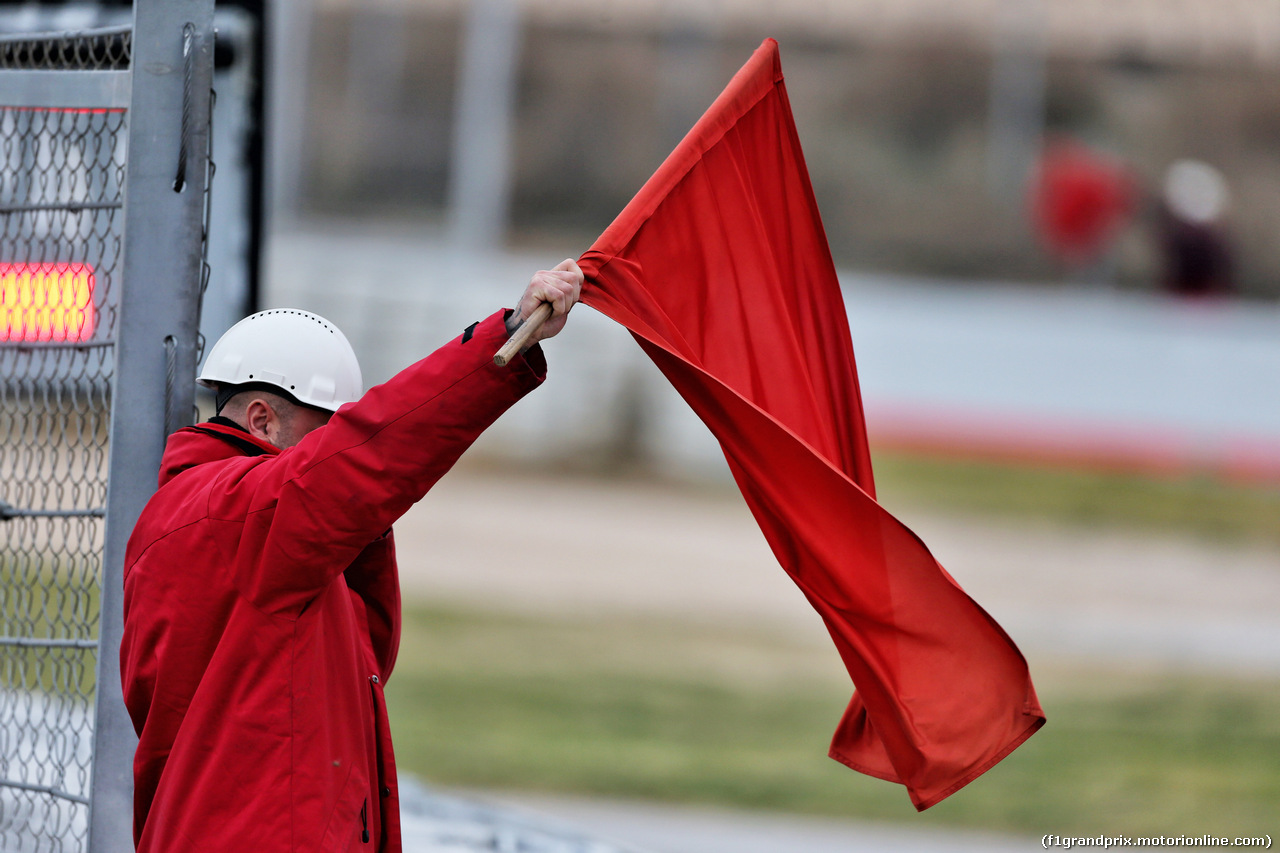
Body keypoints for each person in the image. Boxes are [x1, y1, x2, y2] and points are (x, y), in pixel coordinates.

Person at [119, 260, 583, 852]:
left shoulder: (230, 530)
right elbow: (376, 453)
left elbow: (363, 660)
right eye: (326, 431)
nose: (331, 453)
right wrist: (509, 334)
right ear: (263, 420)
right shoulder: (236, 516)